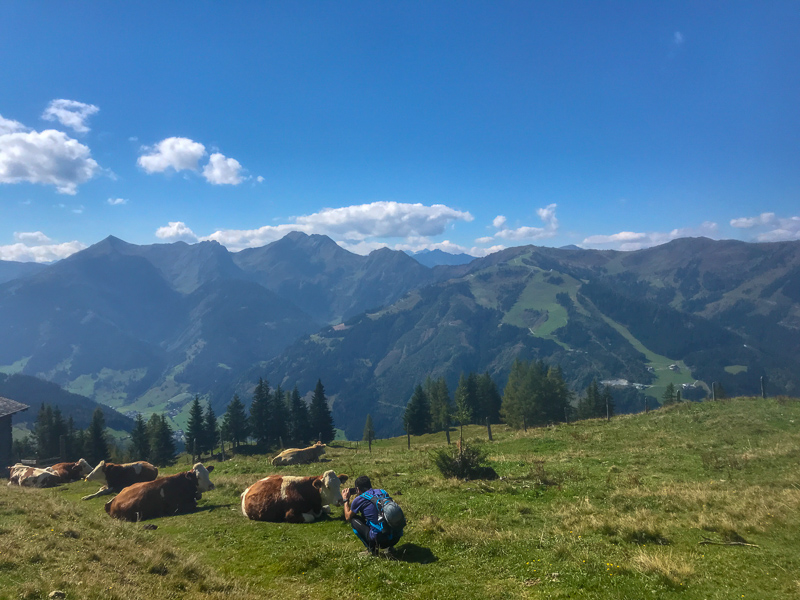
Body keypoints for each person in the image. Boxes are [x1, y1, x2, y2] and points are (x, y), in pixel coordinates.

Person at [342, 475, 402, 557]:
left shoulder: (359, 499)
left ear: (358, 489)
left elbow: (347, 517)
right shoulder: (383, 492)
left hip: (380, 541)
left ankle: (371, 550)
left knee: (353, 520)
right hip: (396, 537)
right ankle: (390, 548)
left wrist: (346, 500)